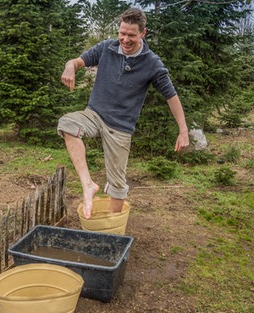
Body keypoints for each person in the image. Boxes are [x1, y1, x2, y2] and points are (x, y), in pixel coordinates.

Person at [57, 7, 189, 219]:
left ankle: (110, 229)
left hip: (120, 127)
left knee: (117, 184)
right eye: (122, 33)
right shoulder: (106, 48)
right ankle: (88, 184)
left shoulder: (152, 63)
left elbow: (171, 96)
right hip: (94, 114)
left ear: (143, 33)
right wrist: (69, 66)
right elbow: (77, 61)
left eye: (131, 35)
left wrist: (183, 130)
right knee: (67, 124)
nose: (125, 39)